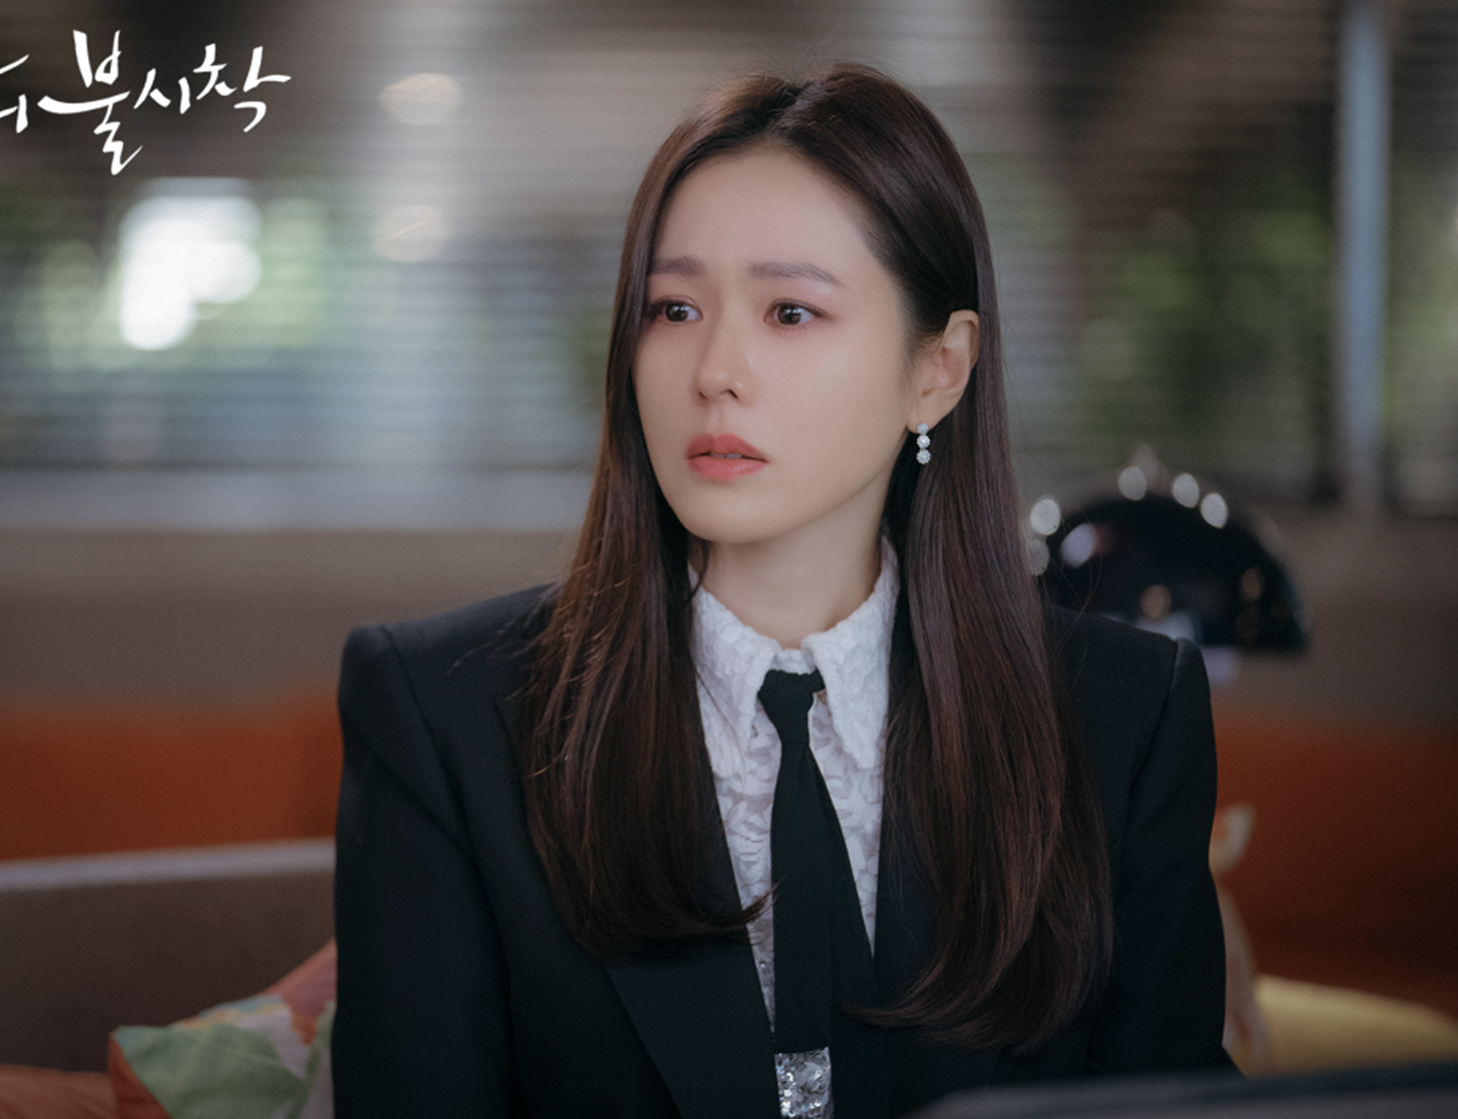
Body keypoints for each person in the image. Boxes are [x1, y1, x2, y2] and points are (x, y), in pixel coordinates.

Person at [334, 64, 1232, 1118]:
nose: (715, 369)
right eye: (674, 307)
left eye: (790, 312)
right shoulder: (444, 718)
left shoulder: (1123, 719)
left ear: (937, 370)